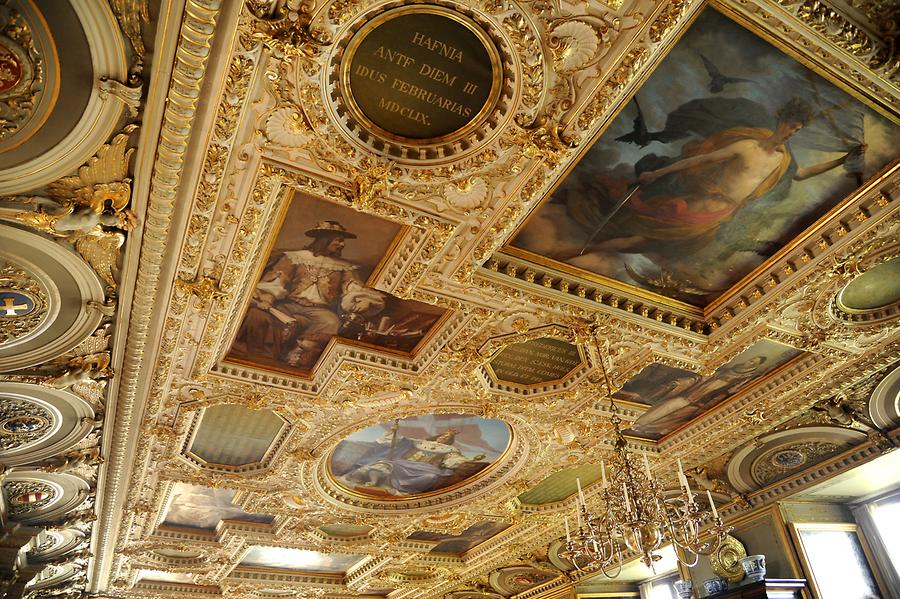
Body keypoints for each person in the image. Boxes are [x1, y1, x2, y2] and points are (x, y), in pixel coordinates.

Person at [585, 98, 866, 254]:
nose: (793, 133)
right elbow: (702, 159)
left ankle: (599, 246)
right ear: (782, 122)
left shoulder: (784, 159)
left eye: (798, 130)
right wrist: (657, 172)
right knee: (651, 233)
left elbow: (802, 175)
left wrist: (842, 160)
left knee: (664, 243)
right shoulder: (746, 146)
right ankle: (595, 245)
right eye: (792, 126)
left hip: (724, 213)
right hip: (705, 203)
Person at [235, 220, 385, 368]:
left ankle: (298, 354)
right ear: (325, 239)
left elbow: (352, 287)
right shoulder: (295, 257)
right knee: (258, 315)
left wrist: (363, 301)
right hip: (289, 304)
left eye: (343, 241)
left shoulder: (345, 267)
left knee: (332, 323)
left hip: (319, 310)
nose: (342, 244)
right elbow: (279, 279)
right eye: (339, 240)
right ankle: (264, 357)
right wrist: (267, 298)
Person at [338, 426, 487, 496]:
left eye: (448, 438)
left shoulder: (450, 450)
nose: (445, 438)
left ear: (450, 441)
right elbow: (395, 441)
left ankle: (406, 489)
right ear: (437, 436)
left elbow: (454, 460)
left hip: (427, 469)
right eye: (443, 436)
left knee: (432, 477)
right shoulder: (417, 442)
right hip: (401, 464)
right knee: (385, 465)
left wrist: (463, 463)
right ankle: (371, 481)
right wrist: (393, 432)